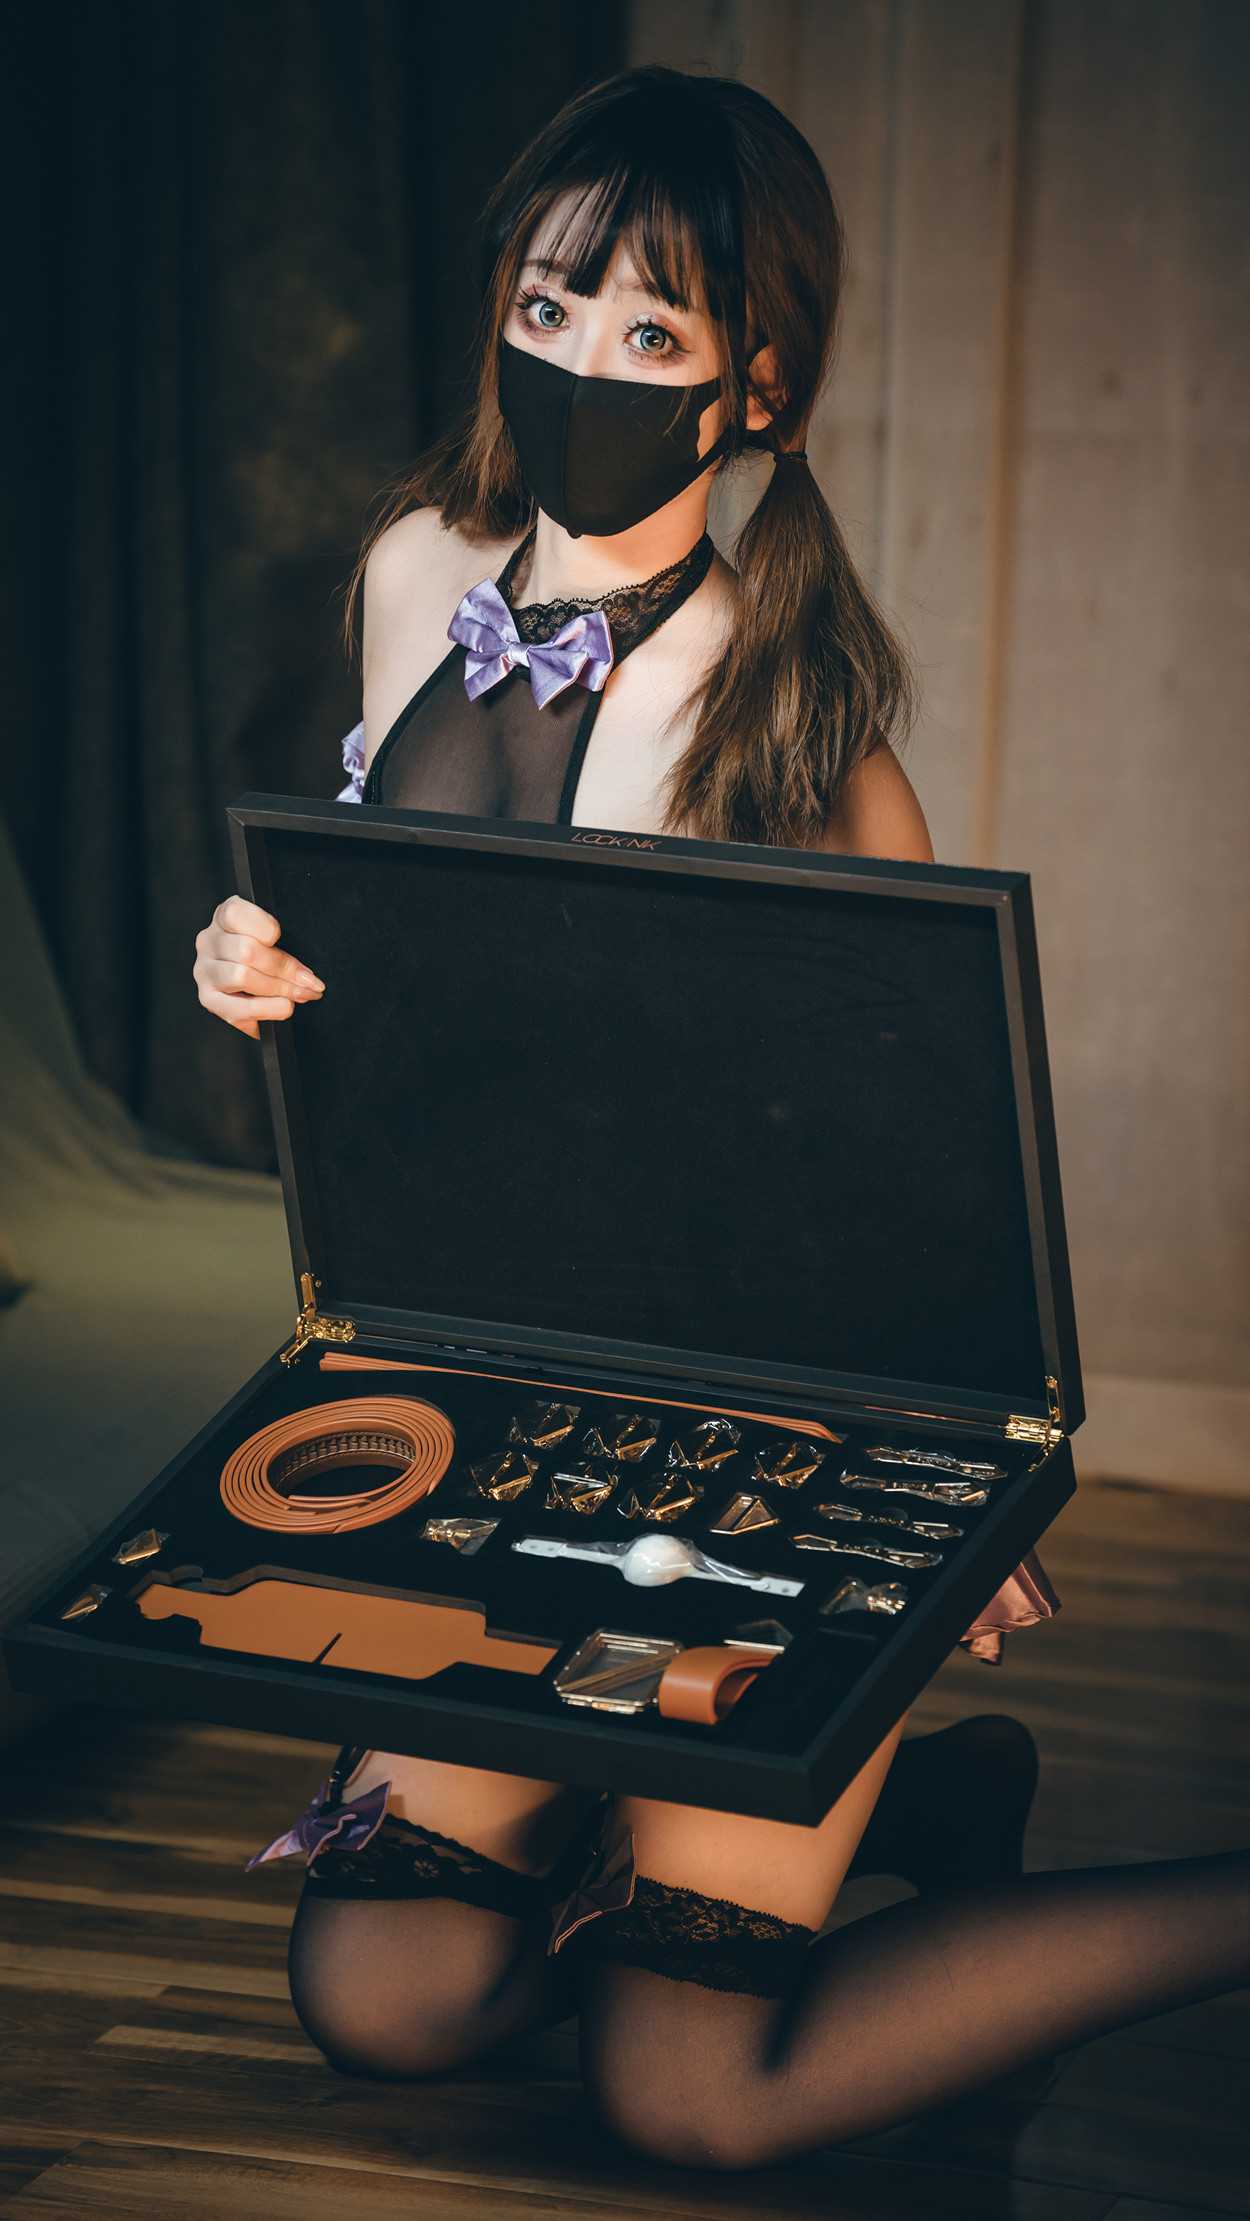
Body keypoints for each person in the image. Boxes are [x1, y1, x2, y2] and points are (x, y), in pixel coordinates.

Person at [193, 66, 1249, 2171]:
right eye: (550, 302)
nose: (579, 361)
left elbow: (922, 1166)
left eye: (649, 328)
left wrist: (937, 1488)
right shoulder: (410, 573)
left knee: (687, 2095)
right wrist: (257, 966)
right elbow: (394, 1010)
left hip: (762, 1441)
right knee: (383, 2000)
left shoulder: (797, 714)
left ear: (754, 386)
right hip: (501, 1402)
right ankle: (881, 1814)